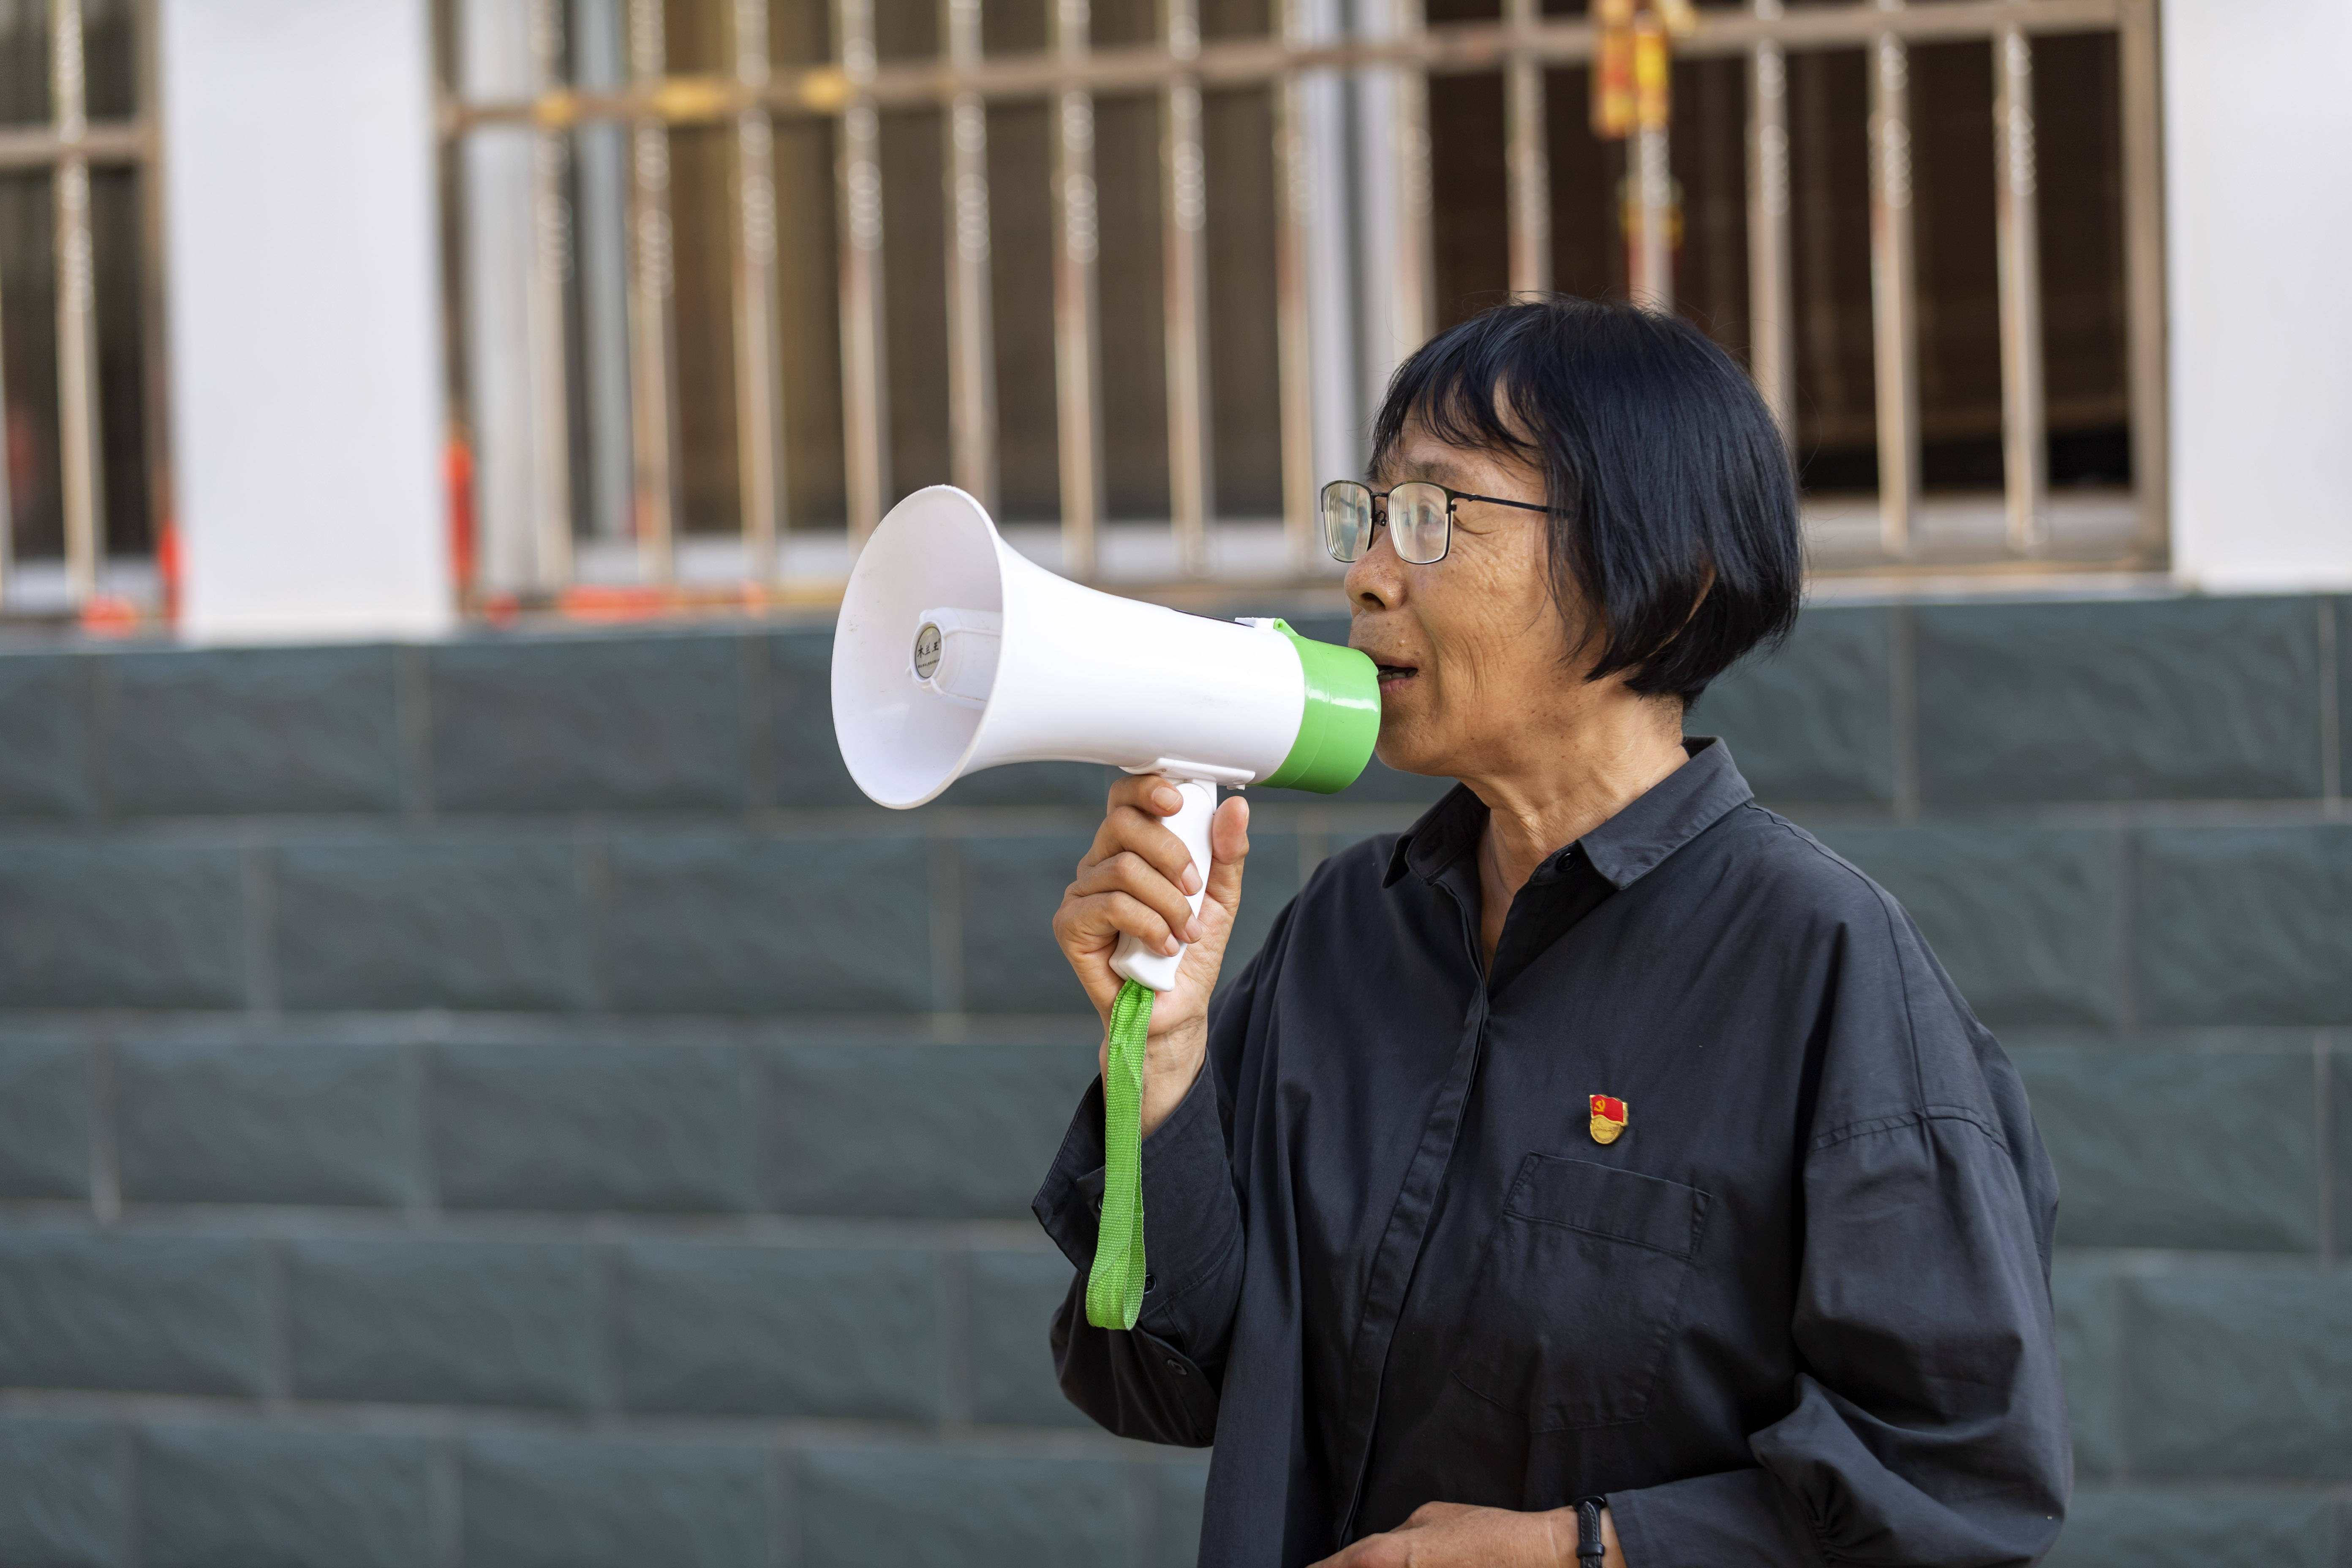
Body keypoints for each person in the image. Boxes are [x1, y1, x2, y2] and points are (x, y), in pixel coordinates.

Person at [1033, 297, 2069, 1568]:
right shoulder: (1345, 936)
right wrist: (1167, 1058)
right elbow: (1159, 1383)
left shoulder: (1822, 969)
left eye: (1435, 517)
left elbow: (1959, 1482)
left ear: (1662, 575)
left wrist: (1586, 1551)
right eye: (1365, 513)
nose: (1365, 573)